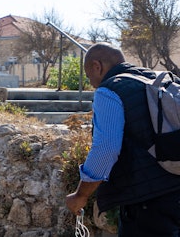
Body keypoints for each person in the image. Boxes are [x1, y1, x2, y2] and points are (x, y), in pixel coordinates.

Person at [65, 43, 180, 235]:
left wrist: (81, 194)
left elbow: (106, 149)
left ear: (97, 66)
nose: (92, 83)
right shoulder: (158, 80)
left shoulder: (110, 90)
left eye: (89, 76)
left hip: (148, 205)